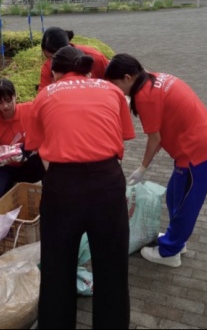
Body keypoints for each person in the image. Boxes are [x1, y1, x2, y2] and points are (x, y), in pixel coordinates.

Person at [26, 46, 135, 329]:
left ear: (54, 72)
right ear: (87, 69)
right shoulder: (112, 91)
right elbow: (123, 135)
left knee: (57, 268)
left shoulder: (44, 95)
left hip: (62, 186)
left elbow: (37, 146)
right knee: (112, 269)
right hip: (107, 182)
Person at [105, 53, 207, 268]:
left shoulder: (145, 97)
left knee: (185, 204)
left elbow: (155, 138)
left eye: (115, 84)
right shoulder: (154, 79)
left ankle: (170, 252)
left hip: (197, 153)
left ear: (127, 78)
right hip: (196, 146)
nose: (117, 90)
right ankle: (176, 239)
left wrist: (142, 168)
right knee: (174, 197)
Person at [0, 78, 45, 208]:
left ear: (15, 96)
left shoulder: (30, 110)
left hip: (32, 164)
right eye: (0, 102)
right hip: (7, 168)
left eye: (9, 100)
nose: (5, 106)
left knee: (51, 162)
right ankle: (8, 187)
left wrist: (28, 151)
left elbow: (47, 133)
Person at [38, 26, 109, 92]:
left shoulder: (97, 58)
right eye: (49, 58)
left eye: (55, 57)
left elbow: (112, 84)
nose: (52, 62)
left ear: (68, 47)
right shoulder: (48, 67)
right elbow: (43, 95)